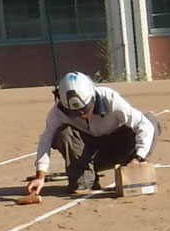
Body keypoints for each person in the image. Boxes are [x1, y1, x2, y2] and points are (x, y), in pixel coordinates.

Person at [26, 71, 158, 198]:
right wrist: (40, 176)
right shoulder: (58, 112)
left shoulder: (110, 99)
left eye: (85, 109)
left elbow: (143, 125)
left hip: (118, 147)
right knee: (62, 133)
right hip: (86, 153)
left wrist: (138, 157)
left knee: (150, 122)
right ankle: (83, 180)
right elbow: (46, 140)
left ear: (93, 97)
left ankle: (130, 169)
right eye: (76, 113)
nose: (82, 115)